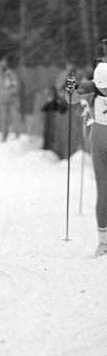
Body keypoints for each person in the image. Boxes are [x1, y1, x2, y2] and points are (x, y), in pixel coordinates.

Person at [67, 62, 107, 256]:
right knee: (103, 192)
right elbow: (71, 99)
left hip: (99, 137)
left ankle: (103, 242)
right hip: (99, 140)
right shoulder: (91, 87)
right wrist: (71, 88)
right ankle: (103, 242)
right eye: (103, 88)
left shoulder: (93, 87)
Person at [0, 57, 21, 141]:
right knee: (3, 119)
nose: (0, 67)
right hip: (2, 101)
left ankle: (17, 136)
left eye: (2, 65)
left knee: (15, 118)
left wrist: (8, 92)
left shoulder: (11, 74)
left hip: (12, 101)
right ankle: (4, 137)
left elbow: (16, 87)